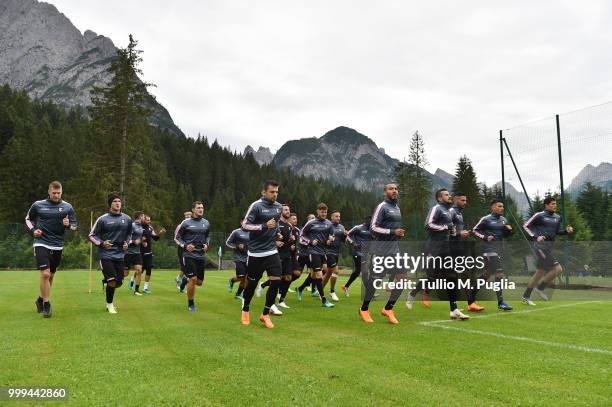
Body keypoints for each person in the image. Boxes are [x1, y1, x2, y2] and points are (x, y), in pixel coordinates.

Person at [408, 189, 470, 320]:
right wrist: (445, 228)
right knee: (432, 279)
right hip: (433, 249)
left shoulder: (448, 211)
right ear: (439, 198)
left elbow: (449, 231)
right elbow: (428, 224)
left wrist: (454, 233)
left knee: (451, 278)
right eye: (446, 195)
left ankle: (454, 310)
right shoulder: (436, 208)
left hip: (446, 250)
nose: (449, 196)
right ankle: (413, 292)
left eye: (449, 194)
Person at [25, 181, 77, 318]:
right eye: (54, 192)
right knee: (45, 274)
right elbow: (28, 219)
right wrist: (33, 230)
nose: (56, 195)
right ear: (49, 192)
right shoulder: (38, 205)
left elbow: (74, 226)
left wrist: (68, 225)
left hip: (58, 245)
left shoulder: (67, 207)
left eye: (58, 193)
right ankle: (47, 305)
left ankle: (40, 299)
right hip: (41, 243)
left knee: (51, 275)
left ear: (62, 192)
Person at [240, 180, 284, 328]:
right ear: (264, 192)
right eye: (272, 192)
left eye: (277, 192)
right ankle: (245, 309)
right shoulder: (256, 206)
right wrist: (264, 226)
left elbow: (275, 224)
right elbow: (245, 225)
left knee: (277, 280)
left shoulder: (279, 207)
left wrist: (277, 234)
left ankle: (265, 314)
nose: (275, 195)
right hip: (255, 253)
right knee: (251, 284)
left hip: (271, 251)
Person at [359, 183, 405, 324]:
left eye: (396, 188)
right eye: (391, 189)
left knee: (402, 280)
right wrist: (392, 232)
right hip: (380, 251)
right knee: (375, 281)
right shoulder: (382, 207)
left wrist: (397, 234)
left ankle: (388, 308)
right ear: (385, 193)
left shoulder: (397, 208)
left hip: (394, 251)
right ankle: (364, 309)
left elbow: (392, 229)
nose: (395, 191)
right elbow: (373, 228)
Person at [521, 197, 574, 305]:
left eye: (555, 204)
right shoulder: (539, 215)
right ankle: (539, 288)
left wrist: (566, 231)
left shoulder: (557, 217)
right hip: (540, 247)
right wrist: (536, 236)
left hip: (548, 247)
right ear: (546, 205)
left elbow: (556, 231)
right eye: (553, 204)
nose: (555, 205)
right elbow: (525, 226)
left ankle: (527, 295)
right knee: (558, 269)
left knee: (540, 272)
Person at [88, 193, 133, 314]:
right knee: (112, 281)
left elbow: (130, 234)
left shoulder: (127, 219)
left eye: (119, 201)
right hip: (106, 255)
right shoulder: (102, 219)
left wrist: (127, 243)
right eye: (115, 201)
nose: (118, 203)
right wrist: (102, 243)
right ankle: (110, 305)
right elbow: (91, 235)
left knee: (118, 282)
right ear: (110, 204)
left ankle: (106, 281)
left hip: (120, 255)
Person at [472, 199, 514, 311]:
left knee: (487, 274)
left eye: (503, 206)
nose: (502, 208)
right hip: (489, 250)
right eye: (499, 206)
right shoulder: (486, 219)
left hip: (499, 250)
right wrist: (485, 237)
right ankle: (501, 302)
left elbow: (505, 235)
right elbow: (475, 230)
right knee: (499, 273)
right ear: (493, 207)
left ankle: (471, 295)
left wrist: (509, 231)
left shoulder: (504, 220)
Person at [296, 203, 336, 308]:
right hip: (313, 252)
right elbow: (301, 235)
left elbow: (332, 236)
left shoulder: (329, 223)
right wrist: (310, 241)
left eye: (325, 212)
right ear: (318, 211)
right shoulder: (311, 223)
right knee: (318, 275)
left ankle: (300, 288)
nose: (324, 214)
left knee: (317, 274)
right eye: (322, 212)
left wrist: (330, 240)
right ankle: (324, 300)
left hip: (324, 252)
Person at [256, 204, 294, 312]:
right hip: (276, 254)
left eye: (289, 209)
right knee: (277, 279)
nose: (288, 211)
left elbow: (288, 240)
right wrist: (275, 242)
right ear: (281, 211)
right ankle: (271, 304)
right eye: (285, 210)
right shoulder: (276, 223)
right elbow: (266, 237)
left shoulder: (289, 226)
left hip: (287, 255)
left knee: (288, 278)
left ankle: (281, 300)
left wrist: (291, 240)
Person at [174, 201, 211, 312]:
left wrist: (206, 245)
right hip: (188, 255)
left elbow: (208, 235)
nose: (201, 209)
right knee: (193, 279)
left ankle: (185, 280)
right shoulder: (186, 223)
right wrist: (185, 246)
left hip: (200, 255)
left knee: (199, 282)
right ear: (193, 210)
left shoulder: (206, 223)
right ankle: (191, 304)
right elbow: (177, 238)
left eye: (202, 208)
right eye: (198, 208)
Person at [342, 216, 372, 297]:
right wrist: (353, 243)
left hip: (366, 253)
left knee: (358, 271)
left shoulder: (372, 229)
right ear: (366, 221)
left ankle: (346, 286)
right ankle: (369, 292)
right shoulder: (358, 228)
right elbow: (347, 235)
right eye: (370, 221)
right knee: (364, 271)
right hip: (357, 253)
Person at [322, 210, 347, 301]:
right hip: (328, 252)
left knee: (328, 273)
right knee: (335, 271)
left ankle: (319, 290)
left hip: (336, 253)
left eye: (339, 216)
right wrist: (327, 241)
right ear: (331, 217)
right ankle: (332, 291)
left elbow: (344, 241)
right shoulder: (327, 226)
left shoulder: (341, 227)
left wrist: (345, 235)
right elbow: (322, 238)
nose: (338, 218)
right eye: (336, 216)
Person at [139, 215, 166, 294]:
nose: (148, 221)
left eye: (149, 220)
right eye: (147, 220)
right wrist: (142, 241)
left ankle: (145, 288)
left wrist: (160, 234)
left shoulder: (150, 228)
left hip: (148, 252)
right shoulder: (138, 228)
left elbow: (155, 238)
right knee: (140, 270)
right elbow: (134, 238)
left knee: (149, 269)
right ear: (143, 220)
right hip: (140, 252)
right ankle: (133, 280)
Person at [225, 223, 250, 299]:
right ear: (241, 222)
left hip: (249, 258)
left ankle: (238, 294)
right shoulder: (236, 232)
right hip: (238, 257)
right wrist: (237, 246)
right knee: (241, 277)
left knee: (246, 278)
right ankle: (232, 281)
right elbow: (228, 242)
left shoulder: (252, 232)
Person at [125, 211, 145, 296]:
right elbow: (125, 238)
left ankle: (136, 290)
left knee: (139, 270)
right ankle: (109, 280)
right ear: (140, 217)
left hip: (137, 253)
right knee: (125, 273)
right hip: (128, 252)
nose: (144, 218)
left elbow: (139, 238)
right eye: (143, 216)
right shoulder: (132, 225)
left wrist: (143, 242)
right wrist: (133, 241)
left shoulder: (142, 227)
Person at [174, 211, 192, 292]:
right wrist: (182, 245)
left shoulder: (192, 226)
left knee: (187, 267)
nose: (188, 217)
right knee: (185, 267)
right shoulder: (180, 226)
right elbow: (176, 238)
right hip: (182, 249)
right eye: (186, 216)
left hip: (190, 248)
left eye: (189, 216)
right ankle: (182, 284)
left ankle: (179, 279)